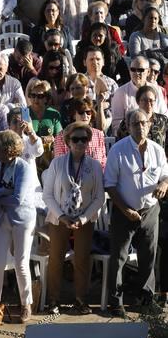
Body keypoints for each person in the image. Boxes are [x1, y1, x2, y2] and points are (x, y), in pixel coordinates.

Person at [104, 110, 168, 316]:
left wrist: (164, 185)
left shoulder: (157, 150)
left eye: (143, 123)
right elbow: (110, 185)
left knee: (148, 256)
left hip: (150, 210)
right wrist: (125, 210)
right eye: (135, 124)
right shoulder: (118, 150)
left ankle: (146, 300)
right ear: (128, 126)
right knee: (119, 257)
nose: (140, 127)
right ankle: (116, 303)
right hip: (124, 210)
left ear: (149, 124)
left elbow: (166, 175)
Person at [42, 122, 105, 315]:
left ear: (88, 142)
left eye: (84, 139)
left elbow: (99, 197)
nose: (79, 143)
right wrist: (61, 216)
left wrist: (84, 219)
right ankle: (53, 300)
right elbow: (48, 195)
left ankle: (81, 300)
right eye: (75, 139)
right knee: (56, 258)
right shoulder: (57, 163)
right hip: (59, 216)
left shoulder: (94, 166)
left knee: (82, 260)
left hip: (83, 218)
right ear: (68, 141)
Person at [0, 130, 36, 323]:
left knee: (20, 262)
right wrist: (3, 191)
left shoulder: (23, 168)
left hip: (22, 219)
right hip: (1, 216)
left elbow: (18, 199)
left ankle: (26, 303)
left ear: (10, 150)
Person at [111, 55, 167, 136]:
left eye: (140, 70)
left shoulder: (157, 90)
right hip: (130, 138)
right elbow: (116, 125)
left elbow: (164, 116)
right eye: (133, 69)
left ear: (148, 72)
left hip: (155, 135)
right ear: (129, 71)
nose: (136, 73)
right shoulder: (120, 92)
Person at [54, 97, 107, 169]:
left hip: (95, 175)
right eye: (81, 112)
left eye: (88, 112)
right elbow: (59, 163)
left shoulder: (98, 134)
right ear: (73, 115)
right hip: (70, 176)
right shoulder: (62, 136)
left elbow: (103, 161)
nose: (85, 116)